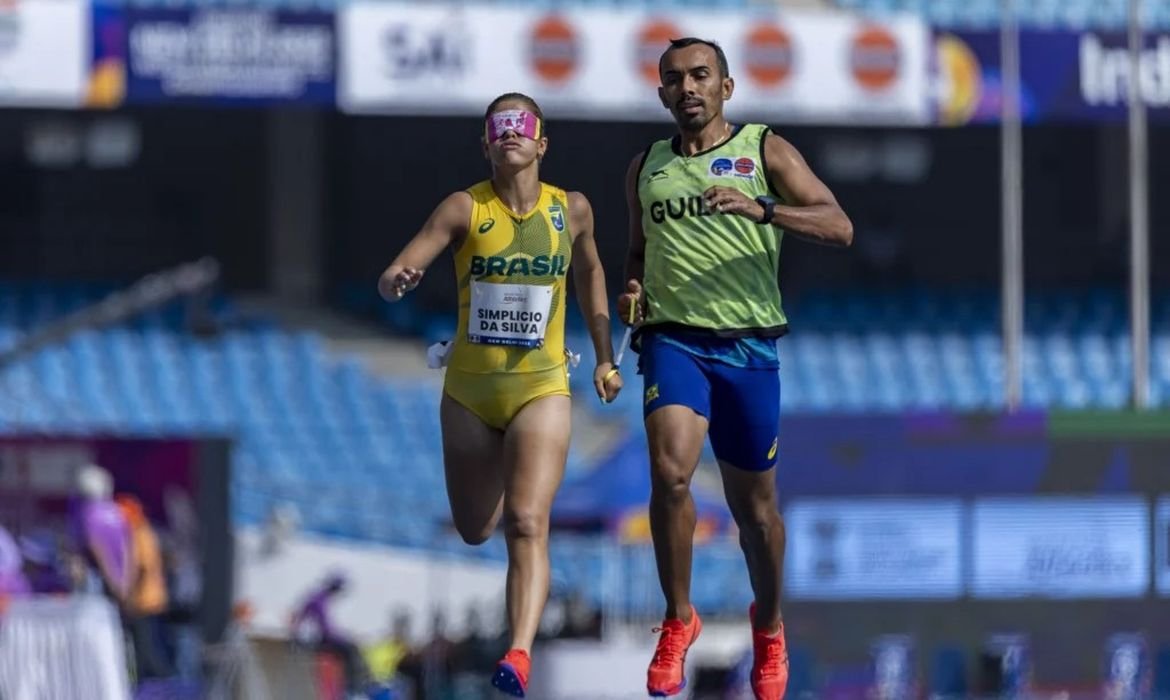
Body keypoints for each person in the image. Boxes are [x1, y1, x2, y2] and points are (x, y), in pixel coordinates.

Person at [620, 38, 853, 699]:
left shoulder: (764, 149)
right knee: (670, 472)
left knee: (756, 515)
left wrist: (763, 208)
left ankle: (770, 626)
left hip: (749, 347)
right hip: (674, 341)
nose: (687, 87)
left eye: (701, 75)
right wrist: (632, 289)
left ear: (726, 87)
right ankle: (678, 619)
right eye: (674, 79)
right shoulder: (646, 167)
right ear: (661, 93)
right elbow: (636, 251)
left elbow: (839, 226)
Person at [377, 92, 621, 697]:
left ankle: (519, 651)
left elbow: (590, 272)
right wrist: (398, 280)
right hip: (469, 393)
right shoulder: (465, 207)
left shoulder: (572, 210)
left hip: (542, 387)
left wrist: (604, 354)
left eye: (521, 126)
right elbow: (397, 271)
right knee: (475, 528)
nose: (510, 134)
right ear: (486, 146)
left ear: (542, 144)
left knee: (527, 521)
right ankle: (510, 478)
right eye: (499, 127)